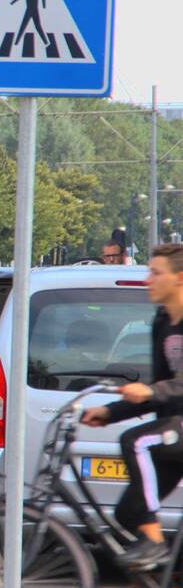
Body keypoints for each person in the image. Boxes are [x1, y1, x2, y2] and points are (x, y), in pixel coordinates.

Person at [81, 243, 183, 568]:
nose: (147, 280)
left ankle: (154, 542)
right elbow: (160, 391)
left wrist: (151, 393)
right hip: (176, 429)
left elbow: (158, 391)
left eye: (155, 273)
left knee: (136, 440)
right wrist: (111, 412)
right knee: (128, 512)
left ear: (179, 278)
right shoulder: (163, 321)